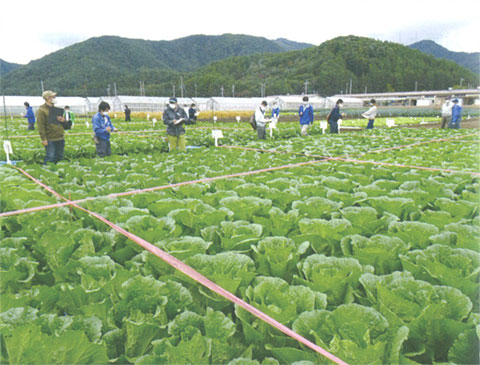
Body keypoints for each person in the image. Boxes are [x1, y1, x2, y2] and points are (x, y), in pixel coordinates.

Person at [36, 90, 66, 164]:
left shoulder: (56, 109)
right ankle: (47, 171)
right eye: (53, 97)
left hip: (59, 136)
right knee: (50, 156)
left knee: (60, 156)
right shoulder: (42, 110)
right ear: (47, 98)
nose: (55, 98)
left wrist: (63, 121)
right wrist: (44, 139)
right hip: (50, 138)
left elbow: (62, 123)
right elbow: (41, 125)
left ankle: (58, 172)